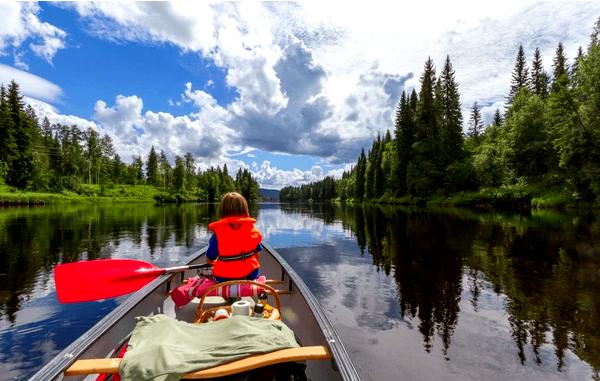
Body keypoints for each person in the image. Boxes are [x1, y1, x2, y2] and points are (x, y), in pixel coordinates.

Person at [206, 192, 263, 282]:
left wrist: (217, 263)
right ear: (245, 209)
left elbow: (210, 259)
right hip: (251, 275)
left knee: (208, 271)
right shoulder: (252, 230)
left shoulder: (218, 232)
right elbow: (257, 254)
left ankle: (229, 294)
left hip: (223, 278)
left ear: (223, 210)